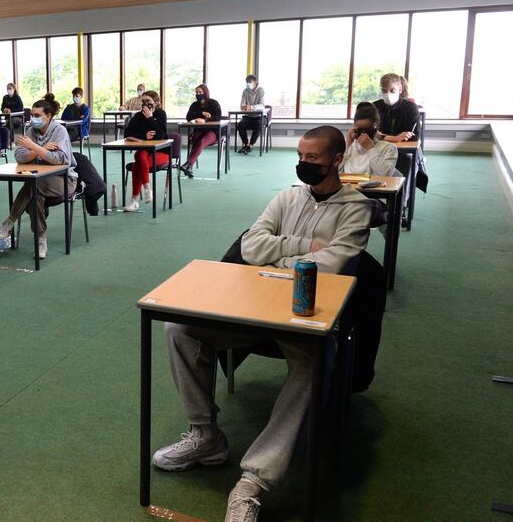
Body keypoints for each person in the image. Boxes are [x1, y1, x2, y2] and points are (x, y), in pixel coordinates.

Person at [154, 126, 374, 522]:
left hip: (310, 321)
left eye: (313, 158)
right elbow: (249, 244)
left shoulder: (356, 208)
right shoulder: (288, 196)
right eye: (301, 156)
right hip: (257, 310)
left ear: (336, 159)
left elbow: (335, 265)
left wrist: (275, 259)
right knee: (179, 328)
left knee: (314, 363)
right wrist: (302, 248)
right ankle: (205, 436)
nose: (304, 164)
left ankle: (254, 481)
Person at [0, 99, 77, 259]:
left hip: (64, 180)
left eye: (37, 115)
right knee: (35, 195)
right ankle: (40, 238)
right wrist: (42, 149)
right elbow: (19, 156)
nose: (33, 118)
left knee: (34, 183)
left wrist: (34, 147)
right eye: (32, 115)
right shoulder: (31, 131)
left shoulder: (59, 131)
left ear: (48, 116)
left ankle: (9, 223)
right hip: (39, 181)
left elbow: (59, 159)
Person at [123, 90, 168, 213]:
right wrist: (144, 135)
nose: (145, 104)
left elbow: (161, 135)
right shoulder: (138, 115)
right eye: (143, 101)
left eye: (148, 101)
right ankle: (147, 189)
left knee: (138, 163)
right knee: (139, 155)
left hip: (162, 152)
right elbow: (127, 133)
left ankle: (134, 200)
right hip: (145, 151)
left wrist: (150, 118)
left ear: (156, 102)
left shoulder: (161, 114)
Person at [341, 102, 399, 177]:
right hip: (348, 186)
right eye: (360, 129)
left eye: (366, 130)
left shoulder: (388, 148)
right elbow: (336, 171)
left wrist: (371, 148)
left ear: (376, 127)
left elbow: (385, 175)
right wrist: (347, 145)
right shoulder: (349, 146)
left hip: (373, 188)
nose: (363, 134)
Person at [181, 84, 223, 179]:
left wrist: (205, 120)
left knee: (202, 141)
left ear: (205, 92)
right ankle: (190, 167)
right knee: (195, 138)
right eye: (196, 92)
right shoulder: (195, 105)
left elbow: (218, 117)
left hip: (213, 131)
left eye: (200, 92)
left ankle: (189, 163)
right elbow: (189, 117)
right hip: (199, 130)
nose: (198, 94)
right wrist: (201, 113)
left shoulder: (214, 103)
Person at [373, 73, 419, 144]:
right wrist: (395, 138)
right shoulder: (374, 107)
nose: (388, 95)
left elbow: (415, 136)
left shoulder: (411, 108)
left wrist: (381, 136)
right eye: (384, 91)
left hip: (402, 149)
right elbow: (369, 132)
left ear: (400, 90)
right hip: (379, 147)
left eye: (392, 91)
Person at [237, 74, 265, 155]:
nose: (249, 84)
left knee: (258, 125)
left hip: (258, 117)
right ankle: (246, 144)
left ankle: (251, 145)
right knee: (240, 125)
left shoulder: (261, 90)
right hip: (247, 116)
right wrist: (243, 107)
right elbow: (242, 105)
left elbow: (262, 105)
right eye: (247, 82)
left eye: (250, 82)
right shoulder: (245, 91)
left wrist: (251, 107)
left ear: (255, 82)